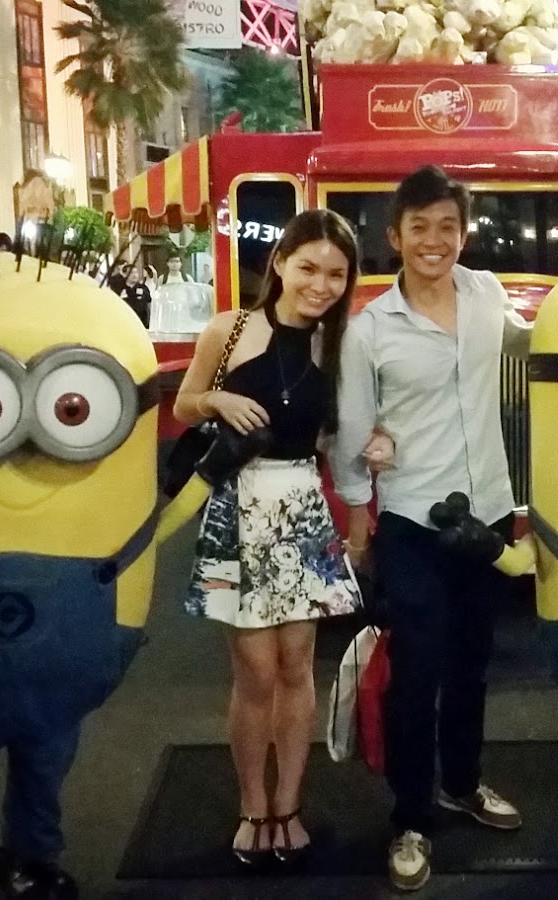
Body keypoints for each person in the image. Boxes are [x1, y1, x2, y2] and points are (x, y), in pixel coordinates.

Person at [327, 166, 530, 892]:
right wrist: (359, 523)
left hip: (489, 513)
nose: (434, 240)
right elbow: (352, 432)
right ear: (396, 236)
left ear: (464, 233)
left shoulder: (488, 295)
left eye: (448, 226)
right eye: (420, 227)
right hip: (414, 519)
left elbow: (533, 349)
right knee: (417, 672)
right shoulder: (369, 331)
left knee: (474, 661)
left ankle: (463, 783)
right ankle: (410, 817)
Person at [174, 209, 366, 869]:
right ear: (280, 262)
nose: (321, 284)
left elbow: (343, 433)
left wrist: (377, 446)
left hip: (302, 506)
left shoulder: (340, 345)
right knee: (255, 671)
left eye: (336, 274)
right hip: (235, 505)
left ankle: (288, 804)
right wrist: (216, 401)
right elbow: (184, 402)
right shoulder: (229, 329)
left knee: (297, 665)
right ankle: (252, 803)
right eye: (308, 267)